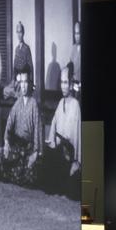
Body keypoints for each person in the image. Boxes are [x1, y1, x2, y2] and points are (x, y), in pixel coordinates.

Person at [0, 68, 43, 187]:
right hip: (16, 145)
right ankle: (16, 171)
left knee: (30, 173)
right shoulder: (18, 103)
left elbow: (38, 129)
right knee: (1, 159)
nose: (23, 86)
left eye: (26, 82)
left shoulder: (34, 104)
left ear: (30, 83)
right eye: (21, 82)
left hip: (28, 147)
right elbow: (9, 123)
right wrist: (6, 142)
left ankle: (20, 171)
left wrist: (36, 153)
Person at [40, 63, 82, 198]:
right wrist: (52, 144)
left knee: (71, 187)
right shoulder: (60, 103)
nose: (63, 86)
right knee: (45, 163)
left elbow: (77, 136)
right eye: (61, 82)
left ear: (71, 84)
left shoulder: (75, 105)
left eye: (66, 82)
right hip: (59, 149)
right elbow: (53, 127)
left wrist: (76, 161)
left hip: (69, 153)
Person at [5, 22, 33, 100]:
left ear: (23, 33)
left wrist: (30, 82)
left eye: (20, 32)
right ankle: (17, 94)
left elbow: (30, 67)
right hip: (16, 80)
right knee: (5, 90)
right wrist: (14, 80)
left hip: (24, 79)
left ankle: (19, 94)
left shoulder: (26, 48)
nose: (19, 35)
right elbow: (15, 67)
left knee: (22, 92)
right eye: (17, 32)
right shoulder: (17, 49)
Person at [70, 18, 81, 89]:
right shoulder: (73, 48)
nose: (76, 36)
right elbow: (71, 65)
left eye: (78, 33)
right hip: (74, 84)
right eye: (75, 33)